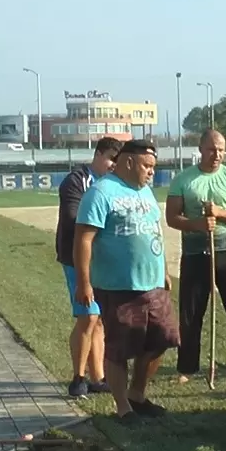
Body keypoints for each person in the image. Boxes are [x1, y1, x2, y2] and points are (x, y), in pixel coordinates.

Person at [71, 139, 179, 422]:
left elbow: (154, 231)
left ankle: (138, 394)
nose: (152, 172)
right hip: (118, 286)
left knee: (162, 340)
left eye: (154, 167)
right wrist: (84, 283)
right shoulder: (101, 192)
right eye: (147, 166)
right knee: (119, 349)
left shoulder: (145, 191)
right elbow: (83, 238)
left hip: (153, 284)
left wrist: (164, 269)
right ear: (128, 162)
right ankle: (123, 408)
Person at [165, 129, 226, 384]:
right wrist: (198, 224)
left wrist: (220, 213)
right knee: (191, 314)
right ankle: (187, 368)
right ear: (201, 149)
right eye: (212, 149)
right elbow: (172, 218)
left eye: (221, 150)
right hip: (195, 254)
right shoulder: (184, 180)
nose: (217, 155)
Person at [55, 136, 122, 397]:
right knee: (88, 316)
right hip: (75, 256)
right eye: (110, 160)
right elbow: (74, 218)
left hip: (100, 258)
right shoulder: (76, 180)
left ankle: (98, 377)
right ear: (97, 154)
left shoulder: (112, 182)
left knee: (99, 320)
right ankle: (78, 378)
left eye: (118, 162)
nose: (113, 165)